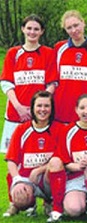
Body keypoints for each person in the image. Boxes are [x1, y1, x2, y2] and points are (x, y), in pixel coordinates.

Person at [3, 91, 65, 222]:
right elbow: (11, 160)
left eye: (46, 106)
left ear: (52, 109)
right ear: (32, 108)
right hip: (27, 179)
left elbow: (61, 160)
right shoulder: (21, 129)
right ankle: (18, 204)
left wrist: (38, 170)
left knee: (55, 164)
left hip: (45, 179)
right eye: (39, 106)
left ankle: (50, 202)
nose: (43, 110)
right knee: (13, 176)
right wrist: (18, 180)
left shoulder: (60, 129)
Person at [47, 94, 87, 223]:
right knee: (74, 210)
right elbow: (64, 161)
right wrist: (77, 166)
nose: (86, 111)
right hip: (77, 177)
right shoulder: (68, 131)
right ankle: (57, 209)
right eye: (82, 108)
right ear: (76, 110)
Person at [0, 14, 56, 154]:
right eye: (29, 28)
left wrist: (37, 108)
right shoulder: (13, 53)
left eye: (36, 29)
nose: (32, 32)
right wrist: (18, 107)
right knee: (13, 155)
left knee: (37, 154)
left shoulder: (48, 53)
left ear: (41, 31)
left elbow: (52, 84)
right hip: (16, 114)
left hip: (39, 115)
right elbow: (6, 83)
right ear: (23, 29)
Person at [53, 10, 87, 123]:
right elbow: (53, 80)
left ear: (83, 23)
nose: (74, 30)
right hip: (61, 111)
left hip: (86, 113)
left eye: (76, 25)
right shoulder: (59, 48)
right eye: (69, 28)